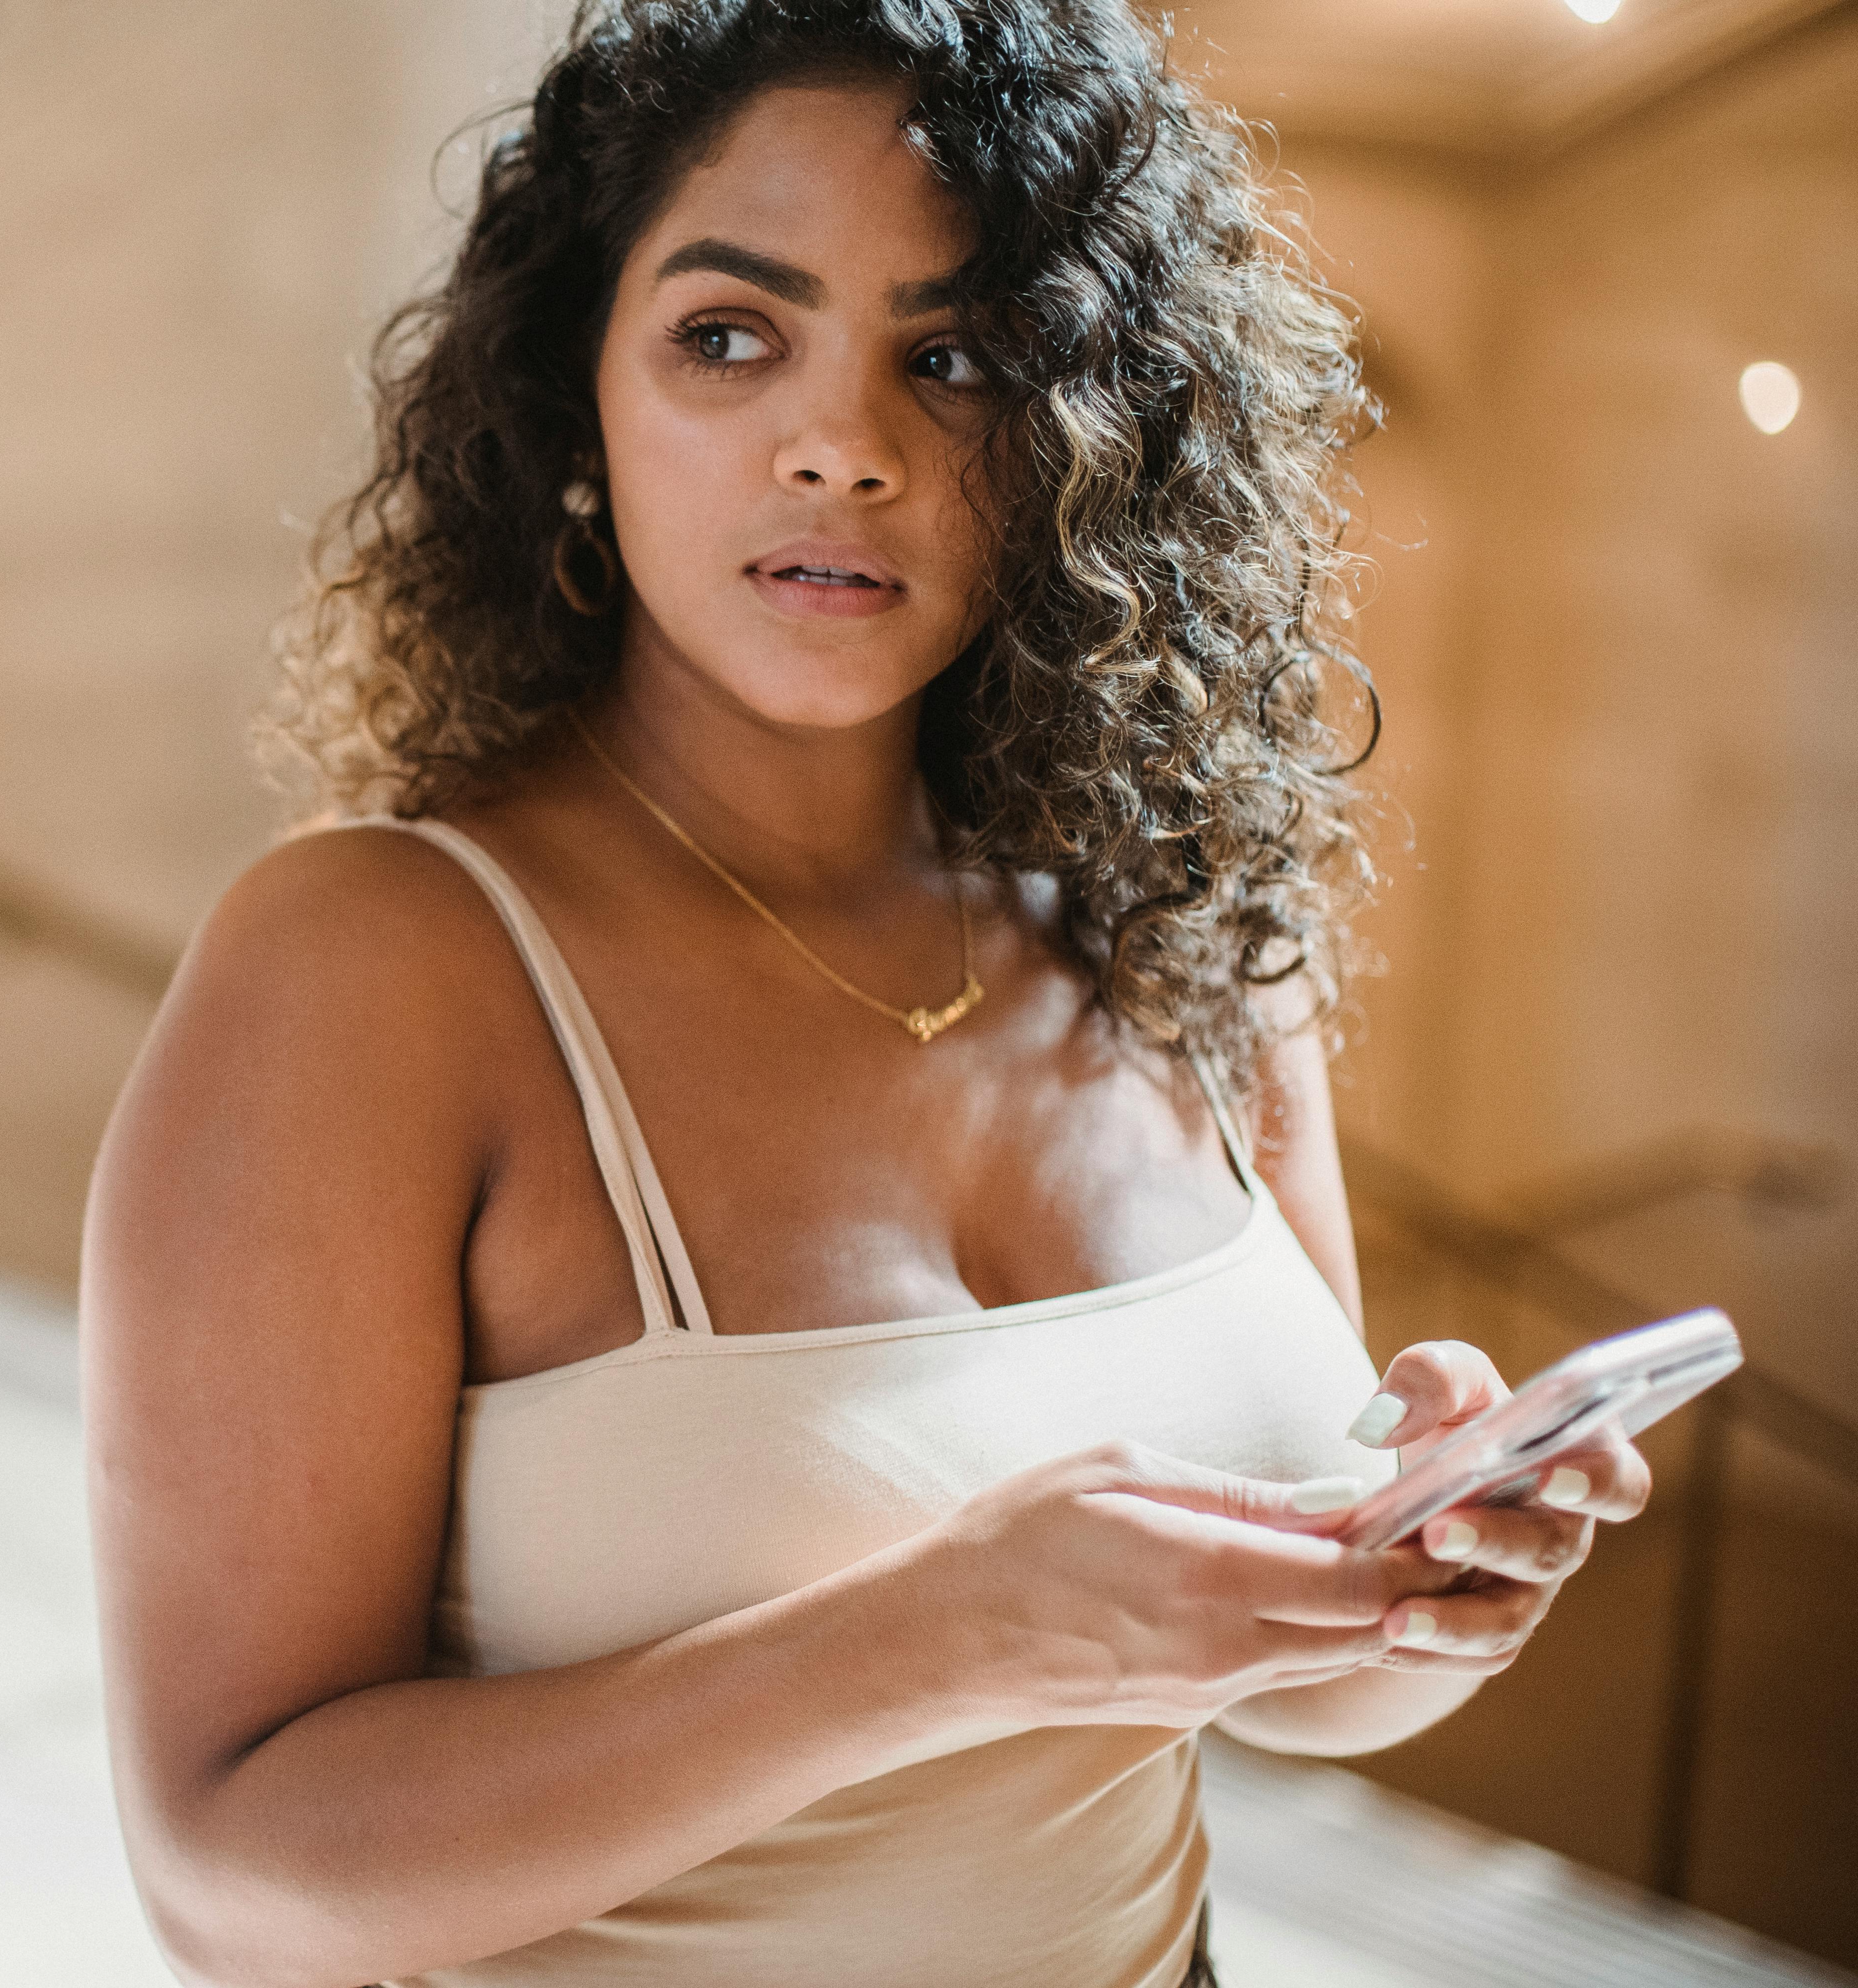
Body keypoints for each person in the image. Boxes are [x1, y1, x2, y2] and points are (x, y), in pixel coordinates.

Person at [80, 3, 1654, 1983]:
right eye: (729, 337)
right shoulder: (375, 971)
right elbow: (232, 1877)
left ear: (1090, 422)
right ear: (578, 403)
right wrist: (940, 1637)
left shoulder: (1178, 936)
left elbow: (1284, 1691)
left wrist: (1430, 1591)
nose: (846, 443)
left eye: (961, 354)